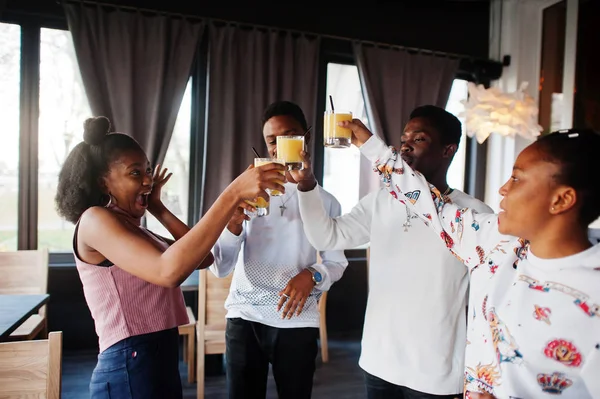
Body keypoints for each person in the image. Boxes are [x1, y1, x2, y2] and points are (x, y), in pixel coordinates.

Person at [347, 120, 600, 399]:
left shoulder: (593, 291)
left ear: (562, 200)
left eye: (516, 178)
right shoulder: (490, 240)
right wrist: (371, 145)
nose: (503, 189)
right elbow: (426, 203)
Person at [54, 116, 286, 399]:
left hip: (156, 358)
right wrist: (233, 193)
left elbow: (203, 258)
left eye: (148, 170)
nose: (149, 180)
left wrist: (158, 208)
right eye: (135, 173)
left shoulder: (132, 227)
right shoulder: (95, 220)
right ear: (104, 183)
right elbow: (169, 272)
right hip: (129, 363)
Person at [292, 105, 493, 399]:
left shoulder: (473, 214)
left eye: (419, 138)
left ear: (448, 149)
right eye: (404, 138)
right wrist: (307, 186)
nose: (406, 145)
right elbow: (326, 236)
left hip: (435, 370)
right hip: (378, 361)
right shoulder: (381, 201)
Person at [211, 101, 348, 399]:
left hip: (296, 317)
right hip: (245, 315)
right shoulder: (246, 192)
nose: (279, 147)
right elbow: (220, 267)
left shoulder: (326, 201)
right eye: (272, 140)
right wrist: (233, 223)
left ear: (307, 137)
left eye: (290, 136)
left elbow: (337, 263)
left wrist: (312, 275)